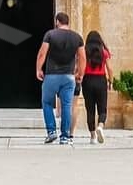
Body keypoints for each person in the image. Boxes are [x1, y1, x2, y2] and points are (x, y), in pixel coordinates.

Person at [36, 10, 84, 145]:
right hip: (69, 77)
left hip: (51, 75)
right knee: (67, 106)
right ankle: (65, 136)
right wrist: (80, 73)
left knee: (46, 103)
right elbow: (82, 57)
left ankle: (51, 132)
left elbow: (42, 53)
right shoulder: (77, 37)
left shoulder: (50, 35)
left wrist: (39, 69)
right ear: (68, 22)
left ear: (57, 22)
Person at [81, 29, 111, 144]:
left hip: (88, 80)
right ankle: (101, 126)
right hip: (101, 80)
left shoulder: (84, 51)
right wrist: (111, 81)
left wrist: (79, 77)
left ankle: (93, 136)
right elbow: (110, 68)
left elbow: (81, 66)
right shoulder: (104, 52)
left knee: (90, 109)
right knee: (102, 108)